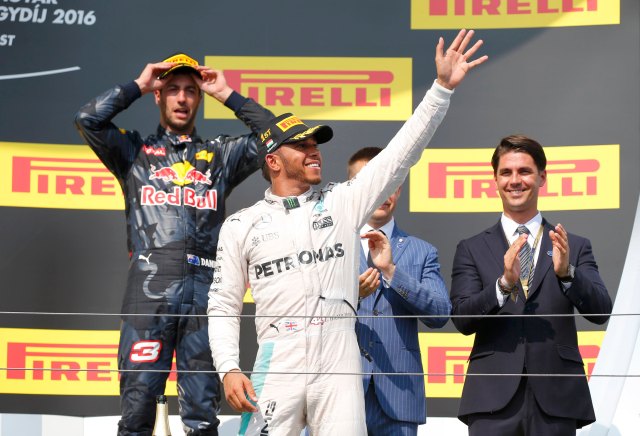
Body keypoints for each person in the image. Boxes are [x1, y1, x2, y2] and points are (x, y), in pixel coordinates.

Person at [207, 30, 487, 436]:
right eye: (300, 145)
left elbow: (399, 156)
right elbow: (223, 303)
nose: (313, 150)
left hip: (339, 357)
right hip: (277, 355)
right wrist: (229, 367)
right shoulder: (241, 224)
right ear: (273, 161)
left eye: (315, 143)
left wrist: (441, 89)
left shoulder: (342, 201)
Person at [74, 52, 274, 436]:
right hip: (147, 296)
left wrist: (226, 93)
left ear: (199, 98)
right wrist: (139, 84)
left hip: (204, 293)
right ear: (159, 96)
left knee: (202, 416)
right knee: (136, 415)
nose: (182, 99)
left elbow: (277, 134)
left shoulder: (218, 155)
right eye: (172, 90)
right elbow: (87, 119)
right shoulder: (132, 152)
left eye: (190, 91)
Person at [449, 135, 613, 435]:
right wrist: (503, 284)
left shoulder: (574, 246)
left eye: (524, 171)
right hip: (491, 398)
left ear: (542, 177)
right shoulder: (471, 248)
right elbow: (461, 317)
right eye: (506, 172)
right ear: (495, 179)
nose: (515, 180)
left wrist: (567, 274)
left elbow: (601, 310)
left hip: (557, 397)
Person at [347, 147, 451, 435]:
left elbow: (441, 313)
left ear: (400, 187)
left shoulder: (422, 251)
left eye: (390, 181)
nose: (382, 191)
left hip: (399, 396)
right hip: (339, 393)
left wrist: (392, 271)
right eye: (372, 182)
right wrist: (351, 297)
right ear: (353, 188)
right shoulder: (331, 246)